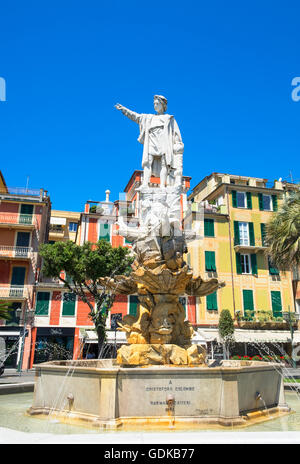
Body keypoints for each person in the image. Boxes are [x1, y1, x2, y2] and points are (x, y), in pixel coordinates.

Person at [115, 95, 184, 188]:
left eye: (157, 103)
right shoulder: (148, 117)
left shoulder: (169, 118)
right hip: (151, 141)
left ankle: (163, 186)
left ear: (162, 105)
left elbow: (175, 133)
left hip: (164, 142)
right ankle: (145, 184)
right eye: (154, 104)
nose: (155, 105)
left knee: (165, 164)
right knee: (148, 162)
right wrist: (124, 110)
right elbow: (135, 116)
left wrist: (178, 144)